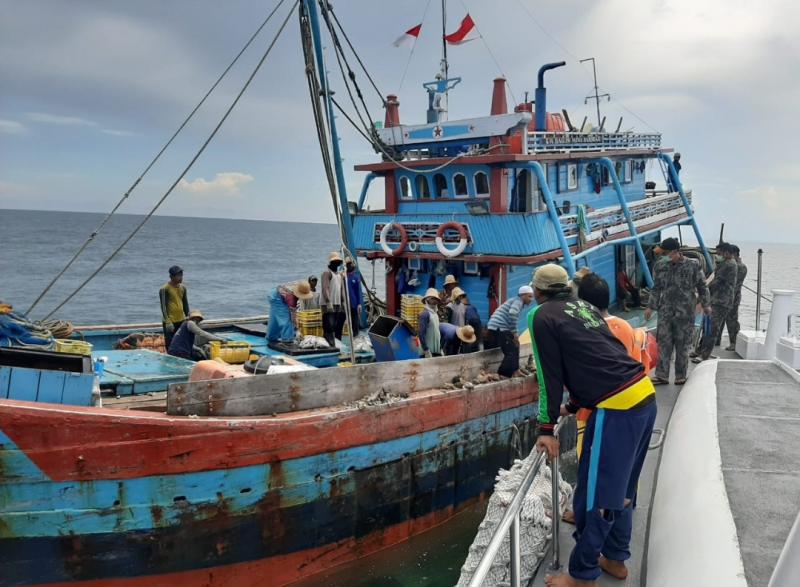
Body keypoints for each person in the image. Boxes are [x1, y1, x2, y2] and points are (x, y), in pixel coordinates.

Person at [528, 264, 656, 586]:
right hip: (643, 395)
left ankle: (582, 575)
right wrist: (573, 406)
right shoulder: (584, 307)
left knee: (599, 494)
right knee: (623, 490)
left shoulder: (541, 316)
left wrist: (546, 429)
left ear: (537, 293)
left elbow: (549, 377)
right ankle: (615, 559)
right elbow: (600, 356)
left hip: (616, 407)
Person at [644, 238, 710, 385]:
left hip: (685, 313)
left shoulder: (693, 265)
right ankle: (662, 375)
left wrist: (706, 305)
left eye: (666, 253)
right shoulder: (661, 265)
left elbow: (702, 286)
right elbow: (657, 288)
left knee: (683, 344)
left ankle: (680, 375)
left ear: (676, 252)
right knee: (664, 343)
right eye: (663, 253)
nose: (664, 256)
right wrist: (650, 306)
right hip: (665, 312)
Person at [696, 242, 738, 362]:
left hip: (722, 301)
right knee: (706, 326)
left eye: (719, 253)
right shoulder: (724, 263)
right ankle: (699, 350)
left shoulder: (729, 265)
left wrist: (701, 291)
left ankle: (704, 355)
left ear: (726, 252)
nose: (717, 255)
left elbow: (715, 281)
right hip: (715, 299)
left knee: (712, 329)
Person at [485, 285, 534, 378]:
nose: (531, 299)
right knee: (510, 351)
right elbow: (512, 313)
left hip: (499, 327)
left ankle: (515, 370)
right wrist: (514, 332)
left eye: (532, 296)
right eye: (529, 296)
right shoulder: (518, 301)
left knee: (516, 346)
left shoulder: (516, 301)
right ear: (522, 295)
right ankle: (503, 373)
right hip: (499, 327)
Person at [717, 244, 747, 351]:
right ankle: (717, 340)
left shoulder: (740, 266)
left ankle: (734, 342)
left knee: (732, 320)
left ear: (733, 254)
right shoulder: (730, 264)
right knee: (720, 319)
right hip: (724, 297)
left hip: (733, 297)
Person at [159, 265, 189, 349]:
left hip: (181, 320)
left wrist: (188, 317)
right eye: (178, 275)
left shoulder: (183, 288)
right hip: (170, 322)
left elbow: (185, 304)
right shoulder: (164, 289)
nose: (181, 277)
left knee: (181, 342)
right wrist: (168, 321)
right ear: (171, 276)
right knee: (170, 345)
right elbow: (163, 306)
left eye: (181, 275)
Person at [320, 252, 347, 346]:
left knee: (335, 326)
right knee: (329, 326)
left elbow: (341, 290)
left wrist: (343, 302)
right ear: (331, 263)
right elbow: (325, 288)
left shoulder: (339, 275)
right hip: (328, 304)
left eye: (338, 262)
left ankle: (335, 344)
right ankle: (329, 346)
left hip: (337, 304)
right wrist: (328, 302)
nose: (336, 264)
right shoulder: (326, 273)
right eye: (335, 262)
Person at [418, 288, 442, 357]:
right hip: (427, 353)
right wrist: (426, 350)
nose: (435, 301)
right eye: (432, 298)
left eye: (436, 299)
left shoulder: (435, 314)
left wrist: (440, 348)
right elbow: (421, 334)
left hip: (435, 351)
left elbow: (437, 333)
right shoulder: (425, 314)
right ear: (427, 300)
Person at [345, 258, 363, 336]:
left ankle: (355, 334)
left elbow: (358, 291)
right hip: (345, 302)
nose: (349, 266)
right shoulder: (343, 277)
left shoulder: (355, 277)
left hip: (353, 302)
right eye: (348, 264)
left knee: (354, 319)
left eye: (350, 264)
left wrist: (359, 304)